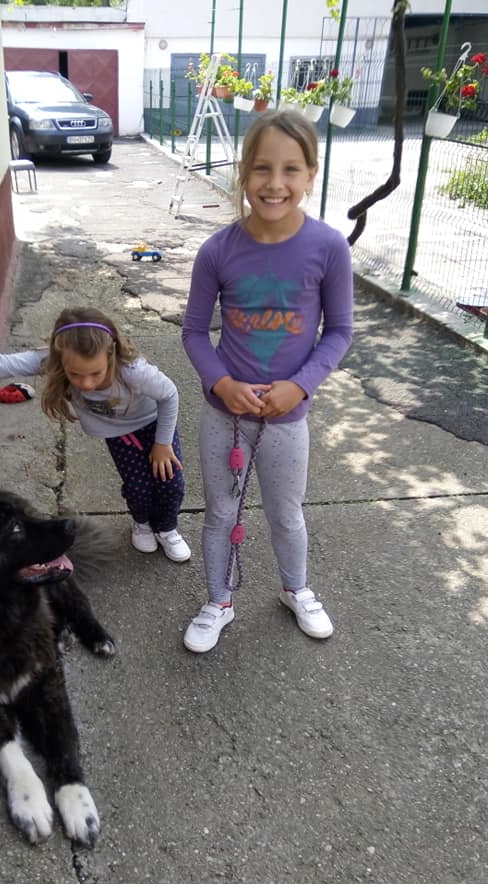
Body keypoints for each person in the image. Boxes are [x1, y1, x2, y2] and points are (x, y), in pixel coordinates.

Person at [181, 109, 353, 653]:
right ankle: (218, 599)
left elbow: (339, 331)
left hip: (287, 418)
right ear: (243, 172)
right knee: (220, 513)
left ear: (311, 175)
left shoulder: (329, 248)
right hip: (225, 418)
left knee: (286, 514)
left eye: (290, 169)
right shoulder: (217, 251)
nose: (274, 183)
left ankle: (295, 588)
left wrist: (300, 386)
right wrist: (221, 384)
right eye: (261, 168)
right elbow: (193, 332)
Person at [0, 307, 191, 562]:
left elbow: (169, 395)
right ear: (61, 362)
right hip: (119, 436)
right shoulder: (54, 361)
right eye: (75, 375)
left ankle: (167, 528)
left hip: (154, 425)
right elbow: (3, 364)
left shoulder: (134, 372)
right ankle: (142, 523)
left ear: (111, 356)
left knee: (170, 482)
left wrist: (163, 442)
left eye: (95, 373)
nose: (86, 383)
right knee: (138, 485)